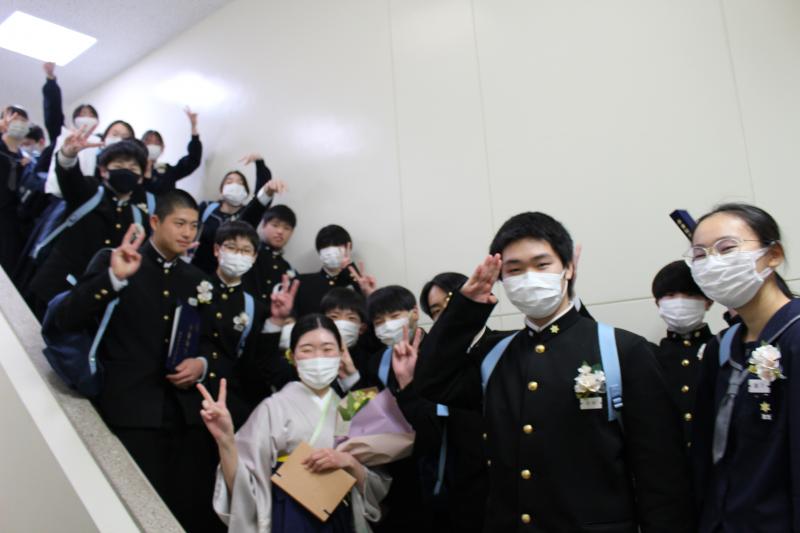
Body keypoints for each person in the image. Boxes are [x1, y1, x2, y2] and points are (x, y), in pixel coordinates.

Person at [415, 211, 694, 532]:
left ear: (568, 268)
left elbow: (661, 475)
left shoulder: (622, 350)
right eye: (515, 269)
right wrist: (467, 309)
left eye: (542, 264)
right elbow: (430, 382)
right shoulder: (495, 355)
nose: (529, 276)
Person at [52, 190, 210, 531]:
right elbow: (68, 317)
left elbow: (208, 342)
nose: (187, 233)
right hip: (126, 408)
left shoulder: (196, 280)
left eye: (194, 226)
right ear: (155, 222)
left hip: (180, 418)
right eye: (179, 223)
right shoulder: (119, 260)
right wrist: (113, 279)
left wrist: (201, 363)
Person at [200, 313, 391, 532]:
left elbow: (378, 481)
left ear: (341, 353)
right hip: (289, 514)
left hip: (339, 513)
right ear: (292, 356)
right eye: (307, 350)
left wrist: (349, 461)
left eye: (328, 349)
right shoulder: (273, 407)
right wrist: (225, 440)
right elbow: (244, 484)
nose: (318, 357)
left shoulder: (350, 406)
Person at [174, 220, 298, 533]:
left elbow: (254, 364)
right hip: (182, 401)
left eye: (245, 251)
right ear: (216, 250)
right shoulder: (191, 283)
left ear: (254, 258)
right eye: (231, 248)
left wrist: (275, 322)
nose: (238, 255)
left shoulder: (254, 306)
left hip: (229, 409)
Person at [689, 203, 799, 532]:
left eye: (726, 248)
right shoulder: (722, 347)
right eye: (699, 255)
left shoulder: (794, 336)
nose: (713, 263)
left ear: (773, 254)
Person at [29, 130, 149, 316]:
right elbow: (70, 177)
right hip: (54, 289)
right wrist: (68, 154)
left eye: (133, 169)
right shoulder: (89, 191)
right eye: (118, 166)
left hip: (92, 302)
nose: (126, 172)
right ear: (103, 170)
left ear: (141, 177)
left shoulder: (138, 216)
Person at [650, 260, 714, 447]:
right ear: (658, 303)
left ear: (708, 302)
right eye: (670, 295)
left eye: (690, 294)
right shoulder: (650, 355)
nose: (679, 301)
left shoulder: (722, 348)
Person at [192, 154, 284, 274]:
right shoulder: (207, 207)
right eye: (229, 182)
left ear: (246, 192)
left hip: (229, 272)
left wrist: (260, 164)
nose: (235, 185)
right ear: (221, 190)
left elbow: (261, 200)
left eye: (240, 183)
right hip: (198, 268)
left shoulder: (247, 215)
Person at [293, 224, 376, 317]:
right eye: (326, 247)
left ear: (348, 248)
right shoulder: (303, 283)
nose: (332, 252)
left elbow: (370, 315)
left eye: (337, 246)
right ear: (319, 252)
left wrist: (349, 268)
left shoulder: (359, 285)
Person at [243, 204, 298, 308]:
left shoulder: (288, 269)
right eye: (275, 225)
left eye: (286, 228)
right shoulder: (248, 254)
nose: (280, 232)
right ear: (263, 225)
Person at [140, 106, 202, 194]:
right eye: (148, 141)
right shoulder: (133, 168)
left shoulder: (167, 171)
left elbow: (192, 160)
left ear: (162, 148)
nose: (152, 145)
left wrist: (194, 128)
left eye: (157, 143)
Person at [0, 105, 31, 273]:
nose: (18, 123)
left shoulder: (26, 161)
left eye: (23, 120)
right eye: (14, 118)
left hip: (10, 224)